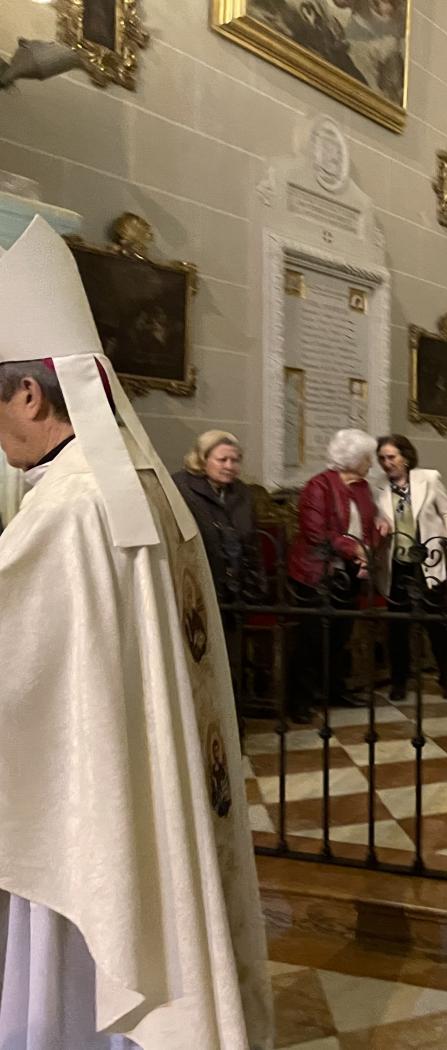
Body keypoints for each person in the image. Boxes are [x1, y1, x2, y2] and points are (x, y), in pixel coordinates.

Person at [0, 216, 271, 1047]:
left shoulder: (77, 505)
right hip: (131, 790)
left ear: (30, 394)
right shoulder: (134, 488)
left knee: (65, 1003)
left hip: (86, 812)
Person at [287, 427, 385, 714]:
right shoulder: (319, 486)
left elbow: (369, 527)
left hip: (349, 573)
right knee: (312, 638)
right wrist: (353, 548)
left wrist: (369, 547)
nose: (371, 463)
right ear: (354, 459)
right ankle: (299, 701)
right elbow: (316, 532)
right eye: (368, 457)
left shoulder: (362, 488)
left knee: (340, 636)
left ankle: (334, 691)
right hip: (316, 573)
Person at [374, 434, 447, 700]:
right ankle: (399, 681)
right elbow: (373, 518)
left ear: (406, 457)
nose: (387, 463)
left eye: (392, 457)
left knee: (437, 623)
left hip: (429, 562)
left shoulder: (429, 479)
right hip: (397, 564)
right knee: (397, 627)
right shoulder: (376, 487)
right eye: (382, 459)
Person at [174, 429, 264, 605]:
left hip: (237, 590)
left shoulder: (242, 492)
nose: (229, 466)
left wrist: (256, 587)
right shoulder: (180, 487)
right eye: (222, 460)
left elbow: (252, 542)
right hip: (197, 587)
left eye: (235, 460)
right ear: (202, 459)